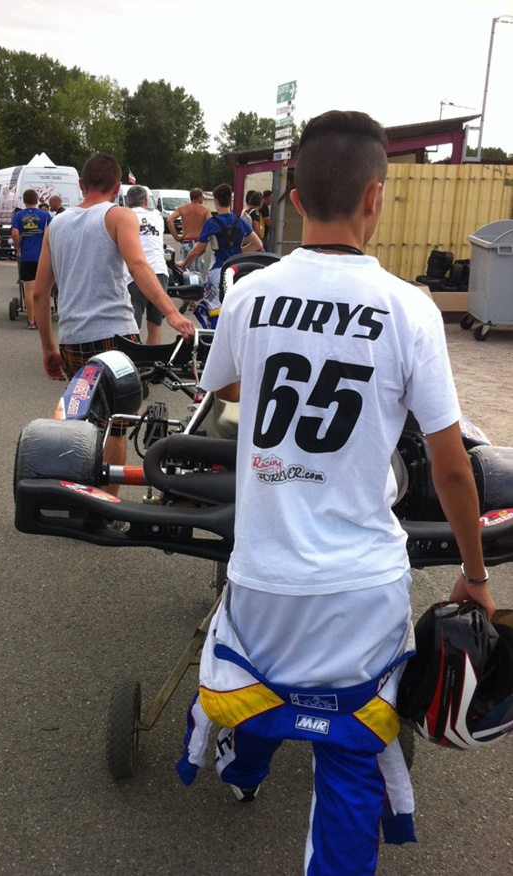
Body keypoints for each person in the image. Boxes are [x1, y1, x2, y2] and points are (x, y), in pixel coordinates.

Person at [176, 111, 495, 875]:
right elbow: (451, 466)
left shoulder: (251, 294)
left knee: (255, 689)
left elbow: (217, 382)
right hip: (361, 584)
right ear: (375, 198)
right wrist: (476, 576)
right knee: (352, 754)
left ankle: (243, 774)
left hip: (263, 570)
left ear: (291, 197)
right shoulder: (410, 308)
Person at [32, 153, 194, 487]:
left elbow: (39, 293)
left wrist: (49, 348)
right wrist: (172, 313)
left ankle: (79, 490)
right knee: (116, 425)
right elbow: (139, 266)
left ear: (81, 185)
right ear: (118, 186)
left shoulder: (56, 224)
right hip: (116, 337)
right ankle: (107, 505)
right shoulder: (119, 216)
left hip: (72, 338)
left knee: (83, 421)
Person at [176, 183, 263, 327]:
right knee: (235, 307)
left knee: (214, 306)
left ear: (216, 202)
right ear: (230, 201)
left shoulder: (212, 223)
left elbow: (197, 250)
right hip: (238, 270)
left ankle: (217, 338)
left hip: (218, 270)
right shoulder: (240, 221)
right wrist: (240, 252)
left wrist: (184, 263)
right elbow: (258, 244)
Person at [124, 184, 169, 346]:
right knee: (155, 324)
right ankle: (152, 363)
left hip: (134, 275)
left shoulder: (124, 217)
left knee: (132, 326)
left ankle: (131, 362)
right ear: (145, 201)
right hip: (159, 273)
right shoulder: (157, 218)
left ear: (127, 201)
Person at [11, 189, 52, 329]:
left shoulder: (18, 216)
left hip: (27, 256)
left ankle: (31, 321)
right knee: (44, 290)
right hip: (43, 257)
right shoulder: (45, 215)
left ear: (24, 200)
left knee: (29, 289)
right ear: (37, 200)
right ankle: (43, 320)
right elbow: (51, 232)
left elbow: (15, 233)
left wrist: (19, 247)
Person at [166, 188, 211, 274]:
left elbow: (169, 220)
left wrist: (177, 237)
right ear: (199, 197)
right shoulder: (205, 210)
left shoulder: (182, 209)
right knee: (197, 272)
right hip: (199, 243)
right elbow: (211, 224)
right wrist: (205, 243)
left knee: (185, 269)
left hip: (186, 242)